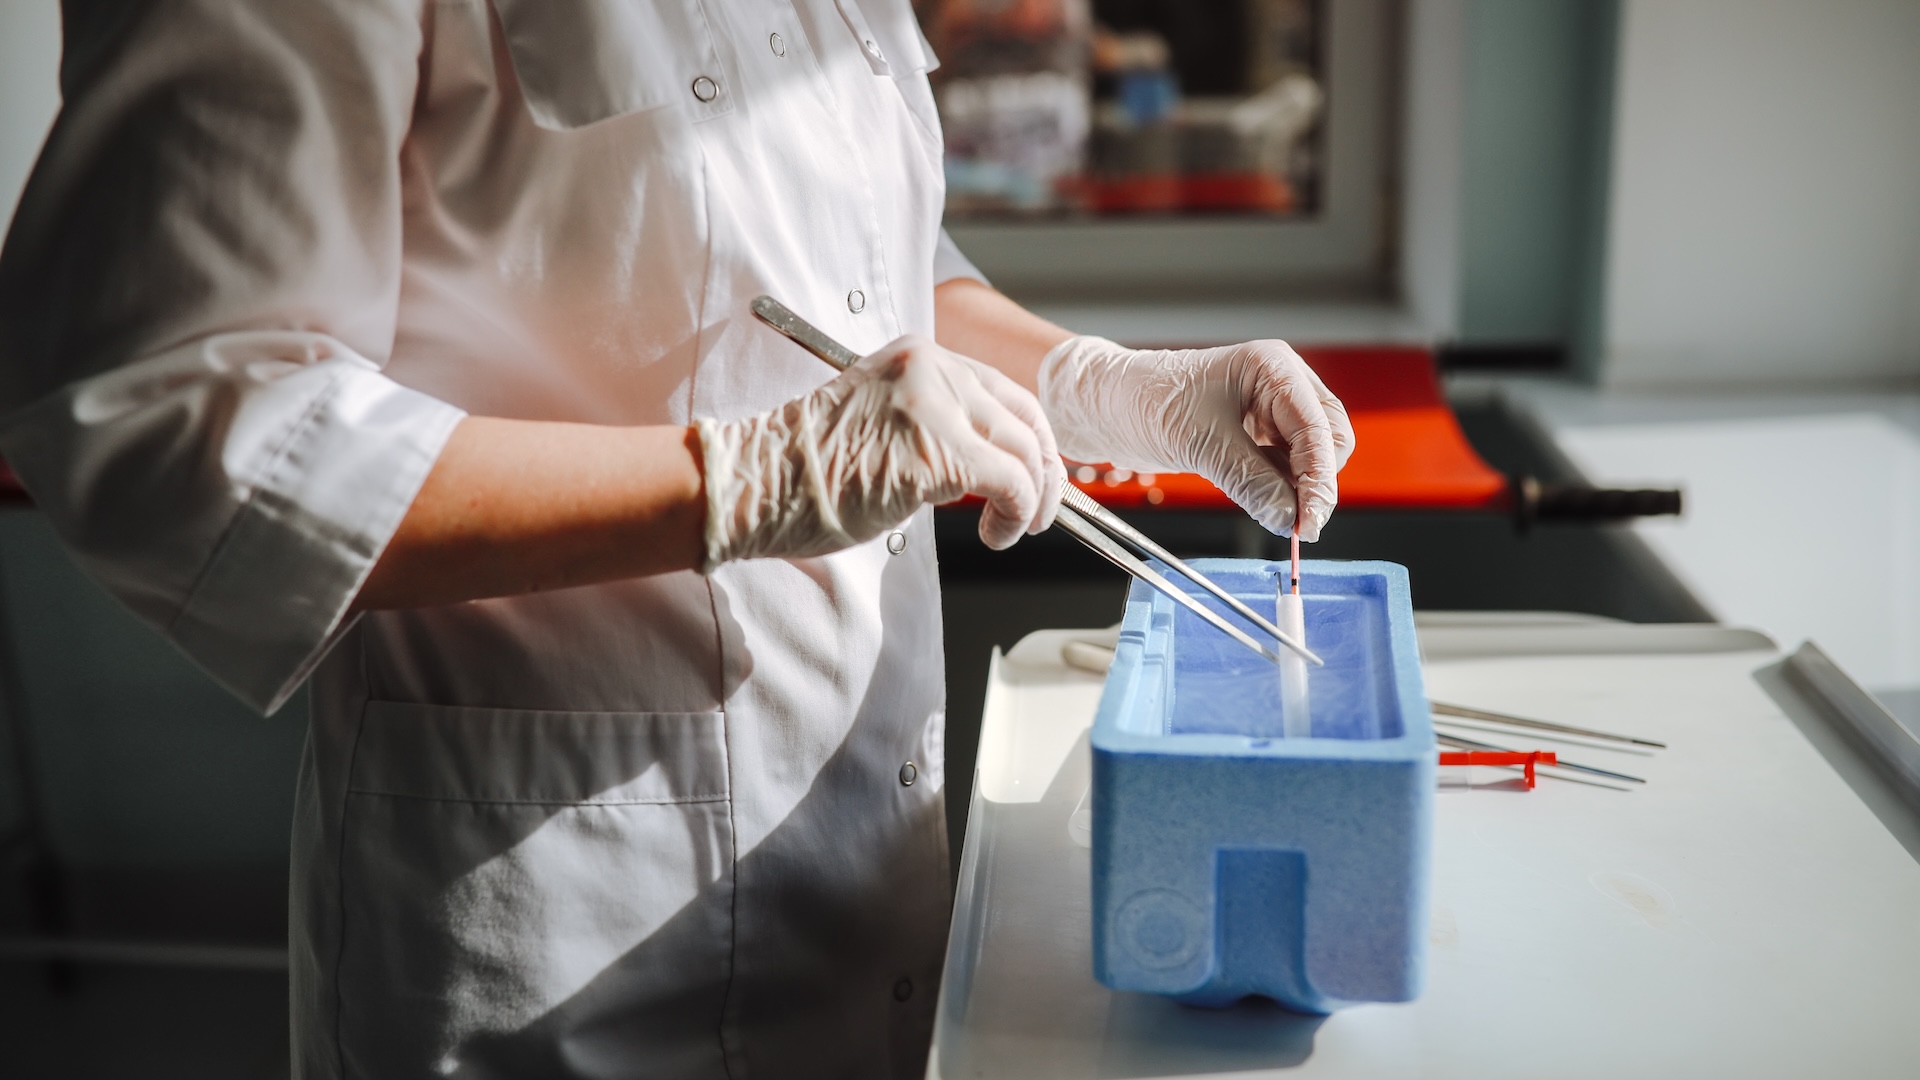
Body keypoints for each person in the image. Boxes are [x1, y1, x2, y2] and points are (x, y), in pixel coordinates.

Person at [0, 1, 1354, 1077]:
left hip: (873, 864)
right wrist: (739, 480)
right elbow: (176, 416)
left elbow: (844, 264)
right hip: (565, 917)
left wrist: (1109, 385)